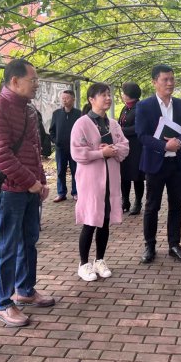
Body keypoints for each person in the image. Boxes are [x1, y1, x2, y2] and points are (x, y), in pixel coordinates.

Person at [0, 59, 53, 328]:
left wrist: (41, 181)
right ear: (14, 81)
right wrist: (29, 181)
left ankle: (25, 290)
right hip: (9, 190)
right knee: (6, 246)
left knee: (29, 241)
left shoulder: (28, 110)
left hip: (29, 189)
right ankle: (2, 304)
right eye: (32, 80)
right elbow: (0, 155)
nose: (36, 85)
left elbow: (34, 150)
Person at [135, 64, 181, 264]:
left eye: (172, 79)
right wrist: (164, 145)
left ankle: (174, 245)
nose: (170, 83)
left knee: (176, 206)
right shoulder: (145, 106)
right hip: (155, 164)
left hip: (177, 164)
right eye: (165, 80)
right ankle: (149, 246)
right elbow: (142, 135)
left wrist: (179, 141)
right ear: (155, 82)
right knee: (152, 206)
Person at [71, 83, 129, 281]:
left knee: (104, 221)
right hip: (91, 181)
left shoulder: (113, 124)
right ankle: (84, 263)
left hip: (110, 179)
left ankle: (100, 260)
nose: (108, 98)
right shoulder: (82, 124)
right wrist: (101, 153)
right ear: (91, 99)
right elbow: (77, 152)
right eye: (103, 95)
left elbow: (125, 146)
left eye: (109, 94)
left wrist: (113, 149)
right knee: (90, 221)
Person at [49, 90, 81, 202]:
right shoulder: (56, 114)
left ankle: (76, 192)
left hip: (74, 148)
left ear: (73, 99)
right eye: (62, 98)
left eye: (67, 98)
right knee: (60, 171)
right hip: (60, 148)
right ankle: (61, 193)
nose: (64, 100)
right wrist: (56, 141)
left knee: (75, 170)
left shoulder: (79, 114)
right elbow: (51, 130)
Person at [118, 81, 145, 215]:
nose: (122, 95)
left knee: (137, 176)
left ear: (129, 94)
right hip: (124, 147)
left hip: (136, 148)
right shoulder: (125, 108)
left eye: (124, 93)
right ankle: (125, 201)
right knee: (124, 176)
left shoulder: (140, 107)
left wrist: (120, 130)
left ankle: (138, 202)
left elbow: (138, 128)